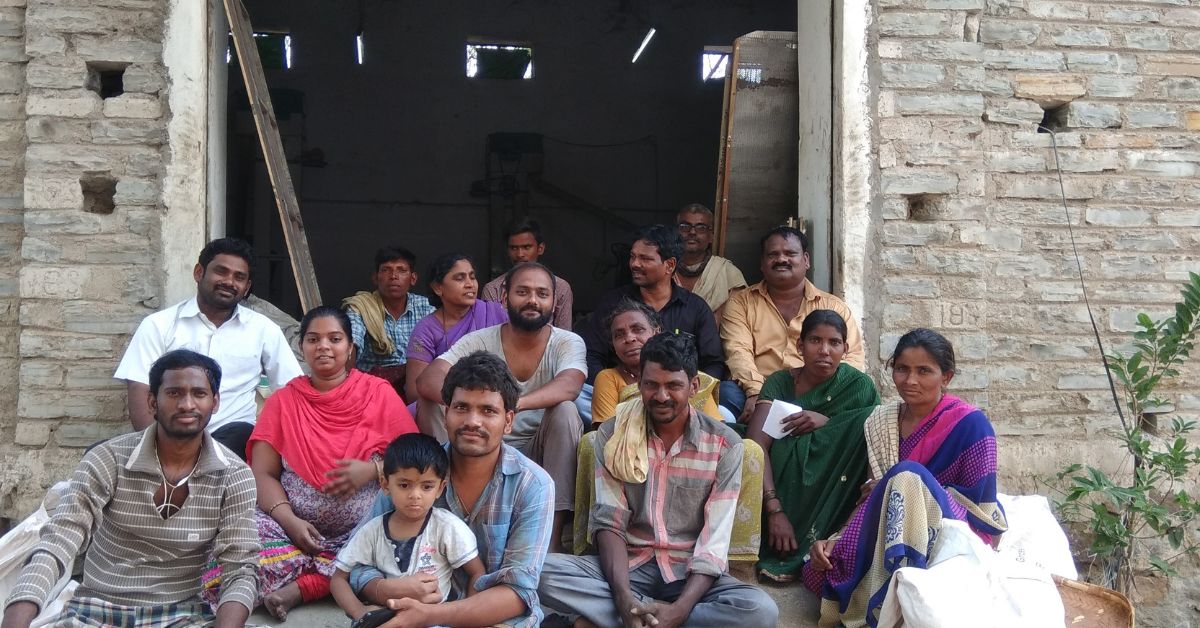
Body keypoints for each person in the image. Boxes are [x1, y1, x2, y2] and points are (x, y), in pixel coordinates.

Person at [2, 350, 258, 628]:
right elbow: (58, 544)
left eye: (199, 393)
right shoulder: (107, 459)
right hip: (94, 612)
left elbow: (241, 570)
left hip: (182, 616)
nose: (187, 404)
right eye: (173, 393)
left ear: (215, 401)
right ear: (152, 402)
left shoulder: (234, 475)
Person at [538, 333, 779, 628]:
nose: (661, 395)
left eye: (673, 385)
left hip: (689, 573)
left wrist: (680, 609)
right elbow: (609, 522)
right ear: (639, 384)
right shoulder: (615, 435)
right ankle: (640, 615)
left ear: (694, 386)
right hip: (628, 566)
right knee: (540, 571)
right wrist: (623, 597)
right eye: (651, 384)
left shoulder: (724, 445)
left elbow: (713, 542)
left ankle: (623, 619)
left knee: (761, 611)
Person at [204, 306, 418, 620]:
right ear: (302, 347)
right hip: (288, 529)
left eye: (335, 339)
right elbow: (262, 473)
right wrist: (289, 521)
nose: (324, 347)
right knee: (238, 546)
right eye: (313, 339)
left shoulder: (379, 395)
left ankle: (305, 587)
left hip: (364, 531)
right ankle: (324, 579)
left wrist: (372, 469)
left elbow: (414, 460)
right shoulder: (283, 401)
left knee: (396, 553)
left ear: (350, 348)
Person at [802, 328, 1008, 627]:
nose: (910, 381)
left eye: (924, 371)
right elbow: (873, 496)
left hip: (951, 525)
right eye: (902, 369)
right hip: (889, 520)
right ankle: (885, 597)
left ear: (946, 377)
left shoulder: (972, 425)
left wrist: (918, 489)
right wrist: (838, 539)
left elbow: (982, 510)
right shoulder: (882, 422)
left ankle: (891, 605)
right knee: (817, 569)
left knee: (907, 476)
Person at [351, 351, 554, 628]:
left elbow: (519, 592)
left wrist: (431, 615)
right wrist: (388, 591)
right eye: (461, 408)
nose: (473, 421)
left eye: (488, 410)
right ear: (446, 414)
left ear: (508, 421)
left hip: (494, 620)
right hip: (411, 614)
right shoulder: (414, 473)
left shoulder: (533, 485)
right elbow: (358, 562)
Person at [417, 262, 584, 552]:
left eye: (542, 293)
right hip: (479, 444)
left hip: (536, 448)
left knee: (566, 411)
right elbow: (429, 378)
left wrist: (509, 405)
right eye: (523, 292)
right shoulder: (480, 340)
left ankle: (552, 541)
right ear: (505, 298)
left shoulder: (567, 342)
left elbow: (571, 384)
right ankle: (441, 516)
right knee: (431, 403)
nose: (533, 300)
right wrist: (469, 408)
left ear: (554, 302)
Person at [114, 237, 302, 459]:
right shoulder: (159, 325)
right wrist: (157, 451)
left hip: (233, 444)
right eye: (221, 272)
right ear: (198, 273)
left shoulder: (264, 329)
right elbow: (140, 390)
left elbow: (291, 391)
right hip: (170, 440)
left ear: (247, 287)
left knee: (241, 433)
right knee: (99, 454)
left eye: (239, 277)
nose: (229, 282)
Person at [745, 309, 880, 582]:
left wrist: (829, 423)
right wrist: (774, 509)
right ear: (800, 345)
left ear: (845, 348)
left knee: (867, 420)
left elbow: (873, 439)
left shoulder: (859, 387)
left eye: (834, 343)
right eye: (815, 341)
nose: (825, 351)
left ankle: (824, 544)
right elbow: (755, 447)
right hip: (779, 485)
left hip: (833, 487)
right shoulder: (780, 382)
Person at [330, 433, 485, 624]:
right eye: (404, 485)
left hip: (434, 620)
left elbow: (477, 572)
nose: (415, 495)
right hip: (385, 618)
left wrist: (466, 620)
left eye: (427, 487)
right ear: (385, 484)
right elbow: (338, 579)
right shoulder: (372, 531)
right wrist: (360, 613)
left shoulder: (446, 528)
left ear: (440, 489)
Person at [578, 224, 724, 422]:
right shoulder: (613, 303)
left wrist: (686, 391)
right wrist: (624, 389)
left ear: (670, 265)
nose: (634, 264)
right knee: (577, 401)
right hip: (617, 396)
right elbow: (592, 355)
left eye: (645, 258)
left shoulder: (695, 308)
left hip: (680, 397)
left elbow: (713, 362)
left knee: (724, 415)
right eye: (632, 256)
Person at [721, 226, 865, 422]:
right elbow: (737, 351)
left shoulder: (834, 307)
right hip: (755, 390)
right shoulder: (742, 303)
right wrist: (757, 395)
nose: (781, 259)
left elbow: (852, 360)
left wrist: (822, 395)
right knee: (725, 396)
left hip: (818, 393)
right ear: (762, 263)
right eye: (773, 254)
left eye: (790, 253)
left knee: (859, 406)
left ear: (806, 260)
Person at [405, 253, 507, 436]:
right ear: (438, 288)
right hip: (446, 404)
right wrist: (463, 401)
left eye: (472, 277)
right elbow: (414, 390)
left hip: (495, 396)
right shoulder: (426, 329)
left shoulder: (494, 312)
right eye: (460, 278)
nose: (470, 284)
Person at [591, 298, 719, 424]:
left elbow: (716, 430)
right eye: (619, 335)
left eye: (638, 329)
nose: (629, 338)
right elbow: (605, 434)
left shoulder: (686, 375)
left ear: (656, 332)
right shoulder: (608, 378)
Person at [343, 246, 435, 393]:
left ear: (413, 278)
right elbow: (351, 344)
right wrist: (346, 385)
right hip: (372, 388)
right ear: (375, 278)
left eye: (401, 270)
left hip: (415, 386)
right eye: (386, 270)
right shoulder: (361, 307)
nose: (393, 276)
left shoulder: (427, 308)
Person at [480, 217, 575, 330]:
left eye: (526, 247)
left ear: (540, 248)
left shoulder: (561, 287)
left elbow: (564, 334)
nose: (520, 254)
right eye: (514, 248)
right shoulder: (493, 289)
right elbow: (490, 334)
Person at [673, 204, 747, 321]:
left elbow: (736, 324)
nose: (692, 232)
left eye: (701, 228)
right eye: (685, 226)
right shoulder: (662, 269)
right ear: (676, 233)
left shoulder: (728, 274)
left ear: (711, 236)